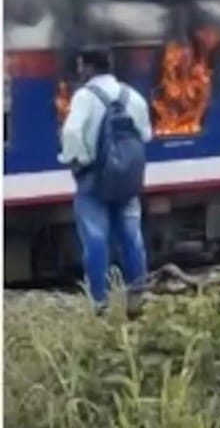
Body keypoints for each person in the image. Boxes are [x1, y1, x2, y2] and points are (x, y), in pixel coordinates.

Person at [60, 48, 152, 316]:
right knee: (132, 238)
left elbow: (71, 132)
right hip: (127, 182)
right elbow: (146, 135)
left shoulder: (85, 97)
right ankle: (137, 297)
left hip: (94, 180)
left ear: (88, 68)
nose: (80, 72)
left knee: (96, 239)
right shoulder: (132, 96)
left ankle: (99, 303)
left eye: (81, 67)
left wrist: (79, 159)